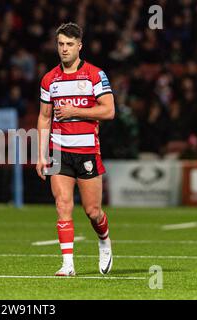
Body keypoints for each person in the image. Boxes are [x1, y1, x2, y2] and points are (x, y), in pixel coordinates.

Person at [36, 23, 115, 276]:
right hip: (59, 152)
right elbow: (44, 118)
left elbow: (109, 110)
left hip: (87, 152)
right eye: (60, 44)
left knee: (93, 211)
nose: (64, 49)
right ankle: (68, 264)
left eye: (69, 44)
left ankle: (104, 240)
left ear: (80, 46)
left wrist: (75, 111)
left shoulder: (94, 75)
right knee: (62, 204)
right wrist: (40, 154)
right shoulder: (49, 79)